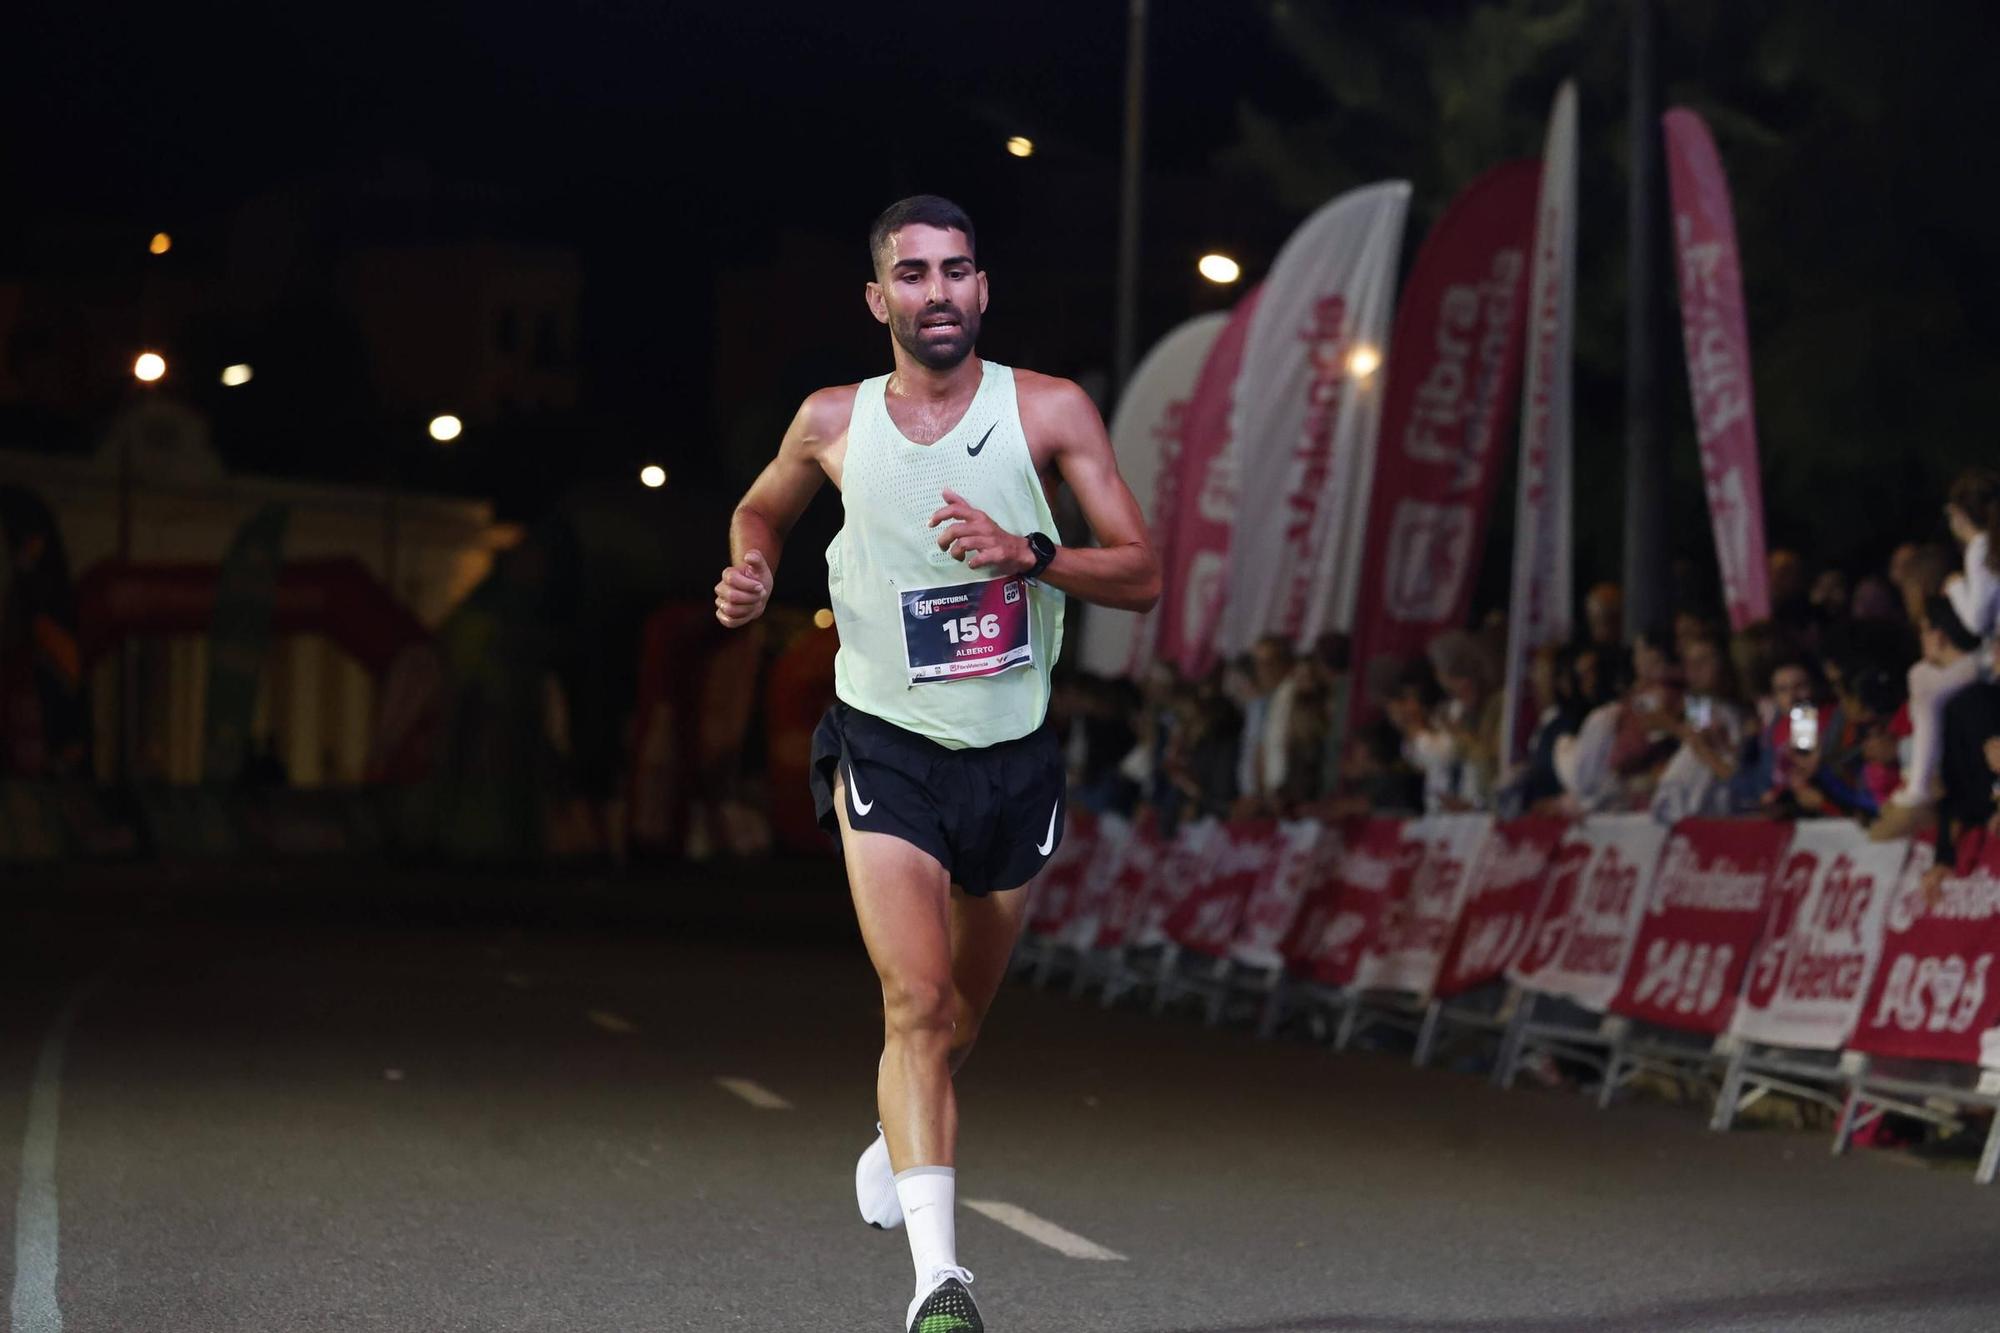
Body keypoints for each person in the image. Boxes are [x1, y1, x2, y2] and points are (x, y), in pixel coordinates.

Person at [713, 195, 1159, 1333]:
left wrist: (1032, 554)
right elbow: (760, 510)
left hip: (1010, 754)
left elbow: (1143, 572)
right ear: (879, 300)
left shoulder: (1048, 409)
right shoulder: (831, 419)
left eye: (957, 271)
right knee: (911, 999)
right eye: (912, 274)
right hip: (885, 741)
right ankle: (937, 1287)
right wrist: (753, 567)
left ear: (982, 289)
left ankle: (892, 1130)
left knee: (955, 1019)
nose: (938, 292)